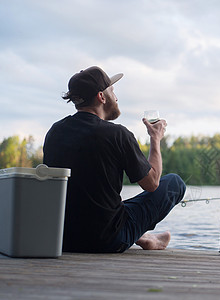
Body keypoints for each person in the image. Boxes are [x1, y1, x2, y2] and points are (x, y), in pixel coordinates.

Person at [43, 66, 186, 253]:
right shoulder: (117, 134)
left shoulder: (55, 132)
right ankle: (139, 235)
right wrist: (155, 138)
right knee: (174, 183)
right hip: (107, 240)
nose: (116, 97)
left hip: (62, 238)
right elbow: (152, 184)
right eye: (112, 91)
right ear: (101, 97)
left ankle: (144, 237)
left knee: (116, 207)